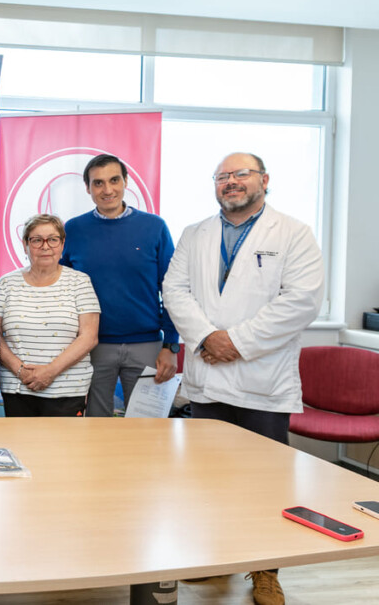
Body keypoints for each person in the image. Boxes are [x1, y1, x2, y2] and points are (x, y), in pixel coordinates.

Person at [163, 152, 324, 605]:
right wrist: (207, 338)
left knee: (266, 482)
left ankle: (266, 570)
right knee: (208, 478)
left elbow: (302, 301)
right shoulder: (195, 234)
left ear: (264, 180)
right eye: (222, 176)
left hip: (262, 384)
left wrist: (235, 342)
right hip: (209, 382)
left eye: (241, 174)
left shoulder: (293, 233)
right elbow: (174, 290)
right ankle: (217, 556)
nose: (231, 182)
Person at [61, 154, 179, 417]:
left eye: (114, 180)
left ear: (126, 181)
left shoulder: (154, 227)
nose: (108, 190)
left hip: (147, 345)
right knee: (95, 425)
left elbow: (172, 289)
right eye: (98, 183)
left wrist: (171, 345)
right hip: (91, 346)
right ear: (87, 188)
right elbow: (61, 287)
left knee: (149, 426)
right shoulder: (74, 229)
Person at [0, 214, 100, 417]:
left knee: (65, 440)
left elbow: (89, 337)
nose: (45, 246)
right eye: (36, 240)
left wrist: (50, 371)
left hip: (68, 390)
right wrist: (21, 371)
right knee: (19, 439)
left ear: (62, 244)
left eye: (52, 239)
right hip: (18, 387)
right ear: (25, 245)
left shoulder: (80, 282)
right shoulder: (6, 284)